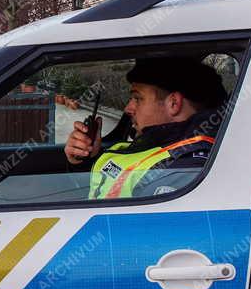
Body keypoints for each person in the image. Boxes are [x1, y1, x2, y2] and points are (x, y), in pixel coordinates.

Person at [64, 57, 228, 200]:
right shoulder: (157, 147)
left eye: (137, 98)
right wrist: (83, 160)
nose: (128, 108)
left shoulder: (184, 167)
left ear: (173, 103)